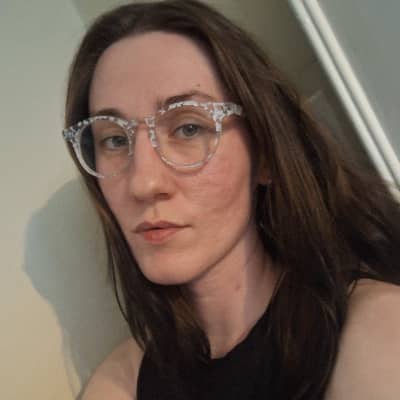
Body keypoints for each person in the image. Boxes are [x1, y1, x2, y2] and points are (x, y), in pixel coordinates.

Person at [62, 1, 400, 399]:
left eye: (188, 128)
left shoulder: (373, 332)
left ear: (265, 154)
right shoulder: (122, 381)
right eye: (115, 140)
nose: (143, 182)